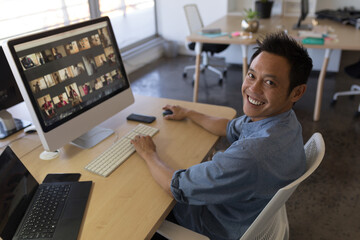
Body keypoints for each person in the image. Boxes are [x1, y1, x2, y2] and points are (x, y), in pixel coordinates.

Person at [131, 32, 313, 240]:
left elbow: (176, 187)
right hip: (243, 211)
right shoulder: (286, 122)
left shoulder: (252, 155)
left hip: (205, 225)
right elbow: (229, 127)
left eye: (269, 83)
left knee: (135, 199)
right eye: (252, 75)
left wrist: (149, 154)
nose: (253, 88)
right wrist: (189, 112)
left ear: (297, 92)